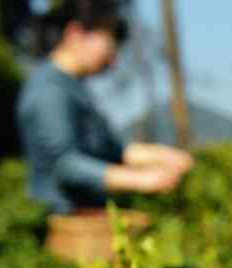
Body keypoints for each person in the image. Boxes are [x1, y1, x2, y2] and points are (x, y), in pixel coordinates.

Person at [17, 0, 193, 215]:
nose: (113, 60)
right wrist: (143, 179)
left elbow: (111, 150)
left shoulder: (74, 87)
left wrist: (161, 156)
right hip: (64, 221)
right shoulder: (50, 89)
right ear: (76, 34)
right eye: (109, 44)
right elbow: (64, 165)